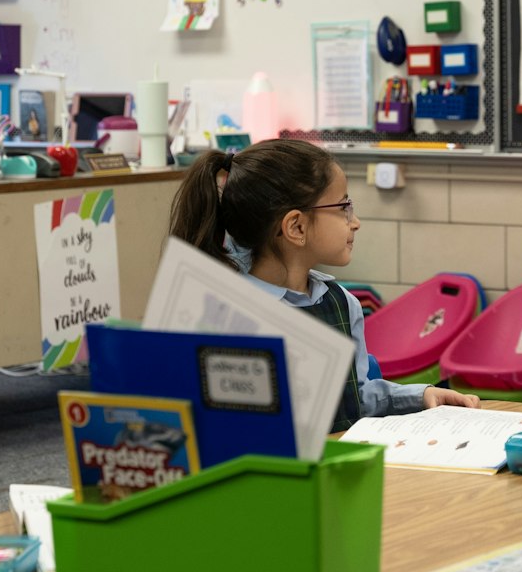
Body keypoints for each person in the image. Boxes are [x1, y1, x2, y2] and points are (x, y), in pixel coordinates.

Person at [169, 139, 479, 430]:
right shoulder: (230, 315)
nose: (355, 221)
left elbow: (358, 396)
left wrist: (421, 397)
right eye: (344, 207)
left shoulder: (343, 303)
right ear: (296, 226)